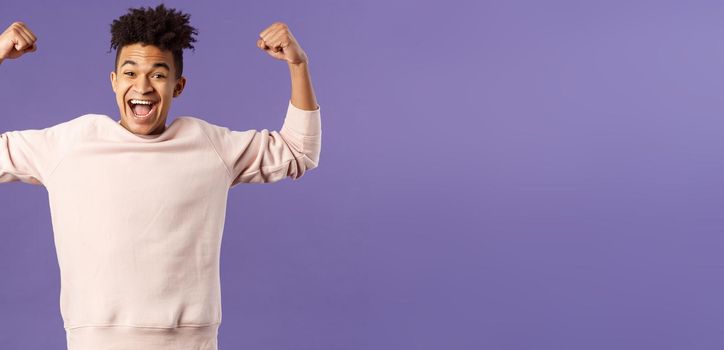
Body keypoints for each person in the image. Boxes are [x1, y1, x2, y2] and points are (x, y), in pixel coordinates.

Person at [0, 4, 321, 350]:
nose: (143, 86)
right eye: (130, 72)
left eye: (157, 74)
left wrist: (298, 65)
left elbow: (297, 151)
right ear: (113, 81)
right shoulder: (68, 144)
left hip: (190, 342)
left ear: (178, 86)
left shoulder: (209, 145)